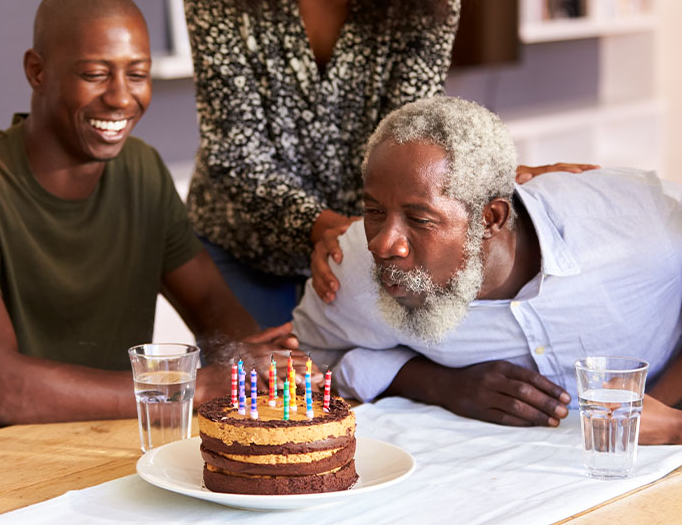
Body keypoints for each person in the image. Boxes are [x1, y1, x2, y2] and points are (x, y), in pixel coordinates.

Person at [0, 0, 297, 449]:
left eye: (137, 73)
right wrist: (191, 385)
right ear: (37, 71)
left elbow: (211, 306)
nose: (121, 98)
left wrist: (261, 362)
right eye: (95, 74)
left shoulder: (142, 169)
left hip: (109, 454)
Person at [183, 0, 591, 328]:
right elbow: (233, 150)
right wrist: (323, 227)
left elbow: (411, 133)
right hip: (243, 244)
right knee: (257, 394)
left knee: (359, 390)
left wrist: (499, 182)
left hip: (371, 246)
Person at [292, 96, 682, 445]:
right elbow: (305, 360)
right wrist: (438, 384)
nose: (383, 244)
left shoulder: (643, 226)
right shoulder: (354, 266)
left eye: (419, 219)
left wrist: (664, 414)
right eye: (375, 211)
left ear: (491, 218)